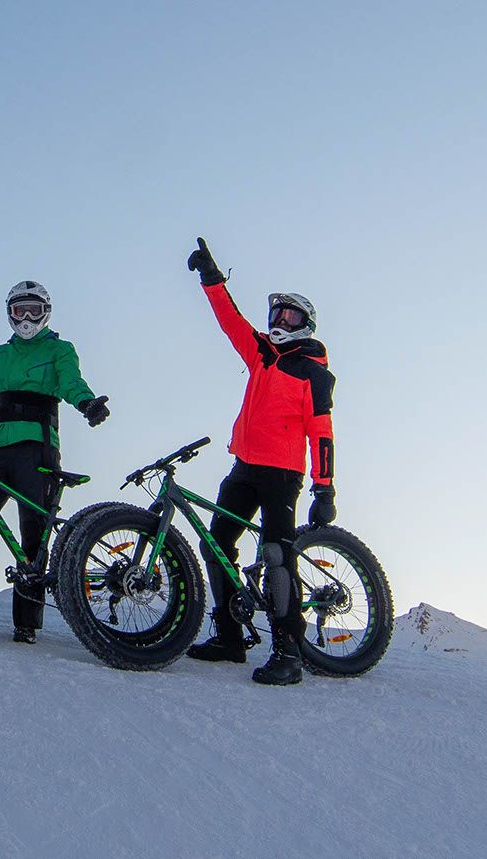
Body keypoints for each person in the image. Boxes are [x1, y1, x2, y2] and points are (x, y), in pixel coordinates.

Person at [181, 236, 336, 686]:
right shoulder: (262, 354)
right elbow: (230, 321)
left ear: (306, 323)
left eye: (290, 315)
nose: (279, 321)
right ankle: (229, 636)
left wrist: (325, 489)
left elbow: (321, 434)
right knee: (217, 544)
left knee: (275, 554)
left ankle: (288, 652)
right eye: (276, 314)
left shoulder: (313, 372)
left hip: (283, 474)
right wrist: (212, 279)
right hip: (245, 466)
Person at [0, 282, 110, 642]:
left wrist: (87, 404)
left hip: (37, 449)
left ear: (46, 311)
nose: (27, 318)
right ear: (9, 313)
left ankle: (26, 623)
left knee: (33, 535)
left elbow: (71, 382)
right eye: (19, 311)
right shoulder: (1, 354)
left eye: (33, 310)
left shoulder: (59, 349)